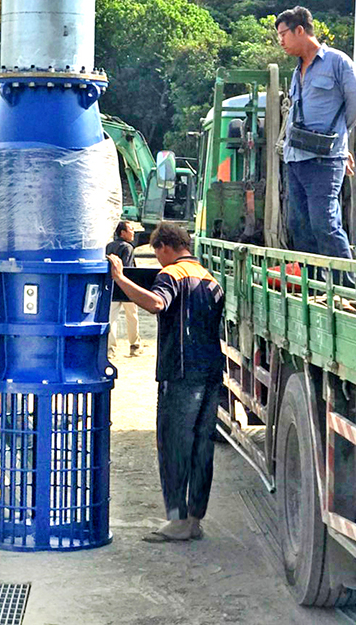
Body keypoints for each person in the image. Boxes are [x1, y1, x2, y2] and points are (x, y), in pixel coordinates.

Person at [108, 222, 224, 543]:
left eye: (157, 253)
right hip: (211, 373)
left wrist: (120, 278)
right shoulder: (210, 278)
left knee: (174, 443)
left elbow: (157, 303)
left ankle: (176, 520)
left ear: (163, 248)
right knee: (201, 449)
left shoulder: (171, 274)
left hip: (181, 374)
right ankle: (195, 520)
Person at [275, 6, 356, 259]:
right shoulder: (296, 71)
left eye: (283, 34)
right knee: (299, 226)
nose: (280, 41)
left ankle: (346, 291)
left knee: (324, 224)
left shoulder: (337, 62)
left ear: (300, 30)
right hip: (295, 158)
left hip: (324, 160)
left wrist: (336, 138)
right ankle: (314, 289)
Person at [106, 221, 143, 358]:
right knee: (132, 316)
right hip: (127, 286)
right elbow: (127, 268)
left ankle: (110, 348)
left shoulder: (109, 246)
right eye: (130, 230)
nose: (133, 232)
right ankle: (134, 345)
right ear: (123, 233)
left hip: (112, 287)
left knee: (111, 317)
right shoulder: (128, 247)